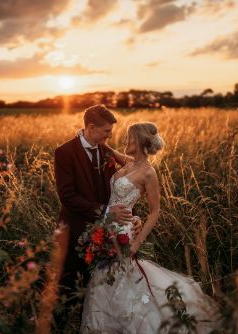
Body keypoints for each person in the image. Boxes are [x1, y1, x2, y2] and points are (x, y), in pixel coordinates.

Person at [80, 122, 222, 333]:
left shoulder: (148, 173)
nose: (125, 141)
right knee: (104, 278)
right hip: (106, 227)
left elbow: (156, 211)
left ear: (138, 142)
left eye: (129, 138)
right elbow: (107, 150)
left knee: (122, 279)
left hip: (124, 233)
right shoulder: (128, 163)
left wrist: (137, 242)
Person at [53, 104, 142, 328]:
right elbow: (67, 197)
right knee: (70, 281)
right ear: (90, 128)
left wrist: (133, 217)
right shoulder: (64, 152)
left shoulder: (107, 151)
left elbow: (123, 187)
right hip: (74, 229)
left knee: (100, 281)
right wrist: (104, 211)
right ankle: (61, 325)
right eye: (106, 131)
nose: (110, 135)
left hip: (106, 231)